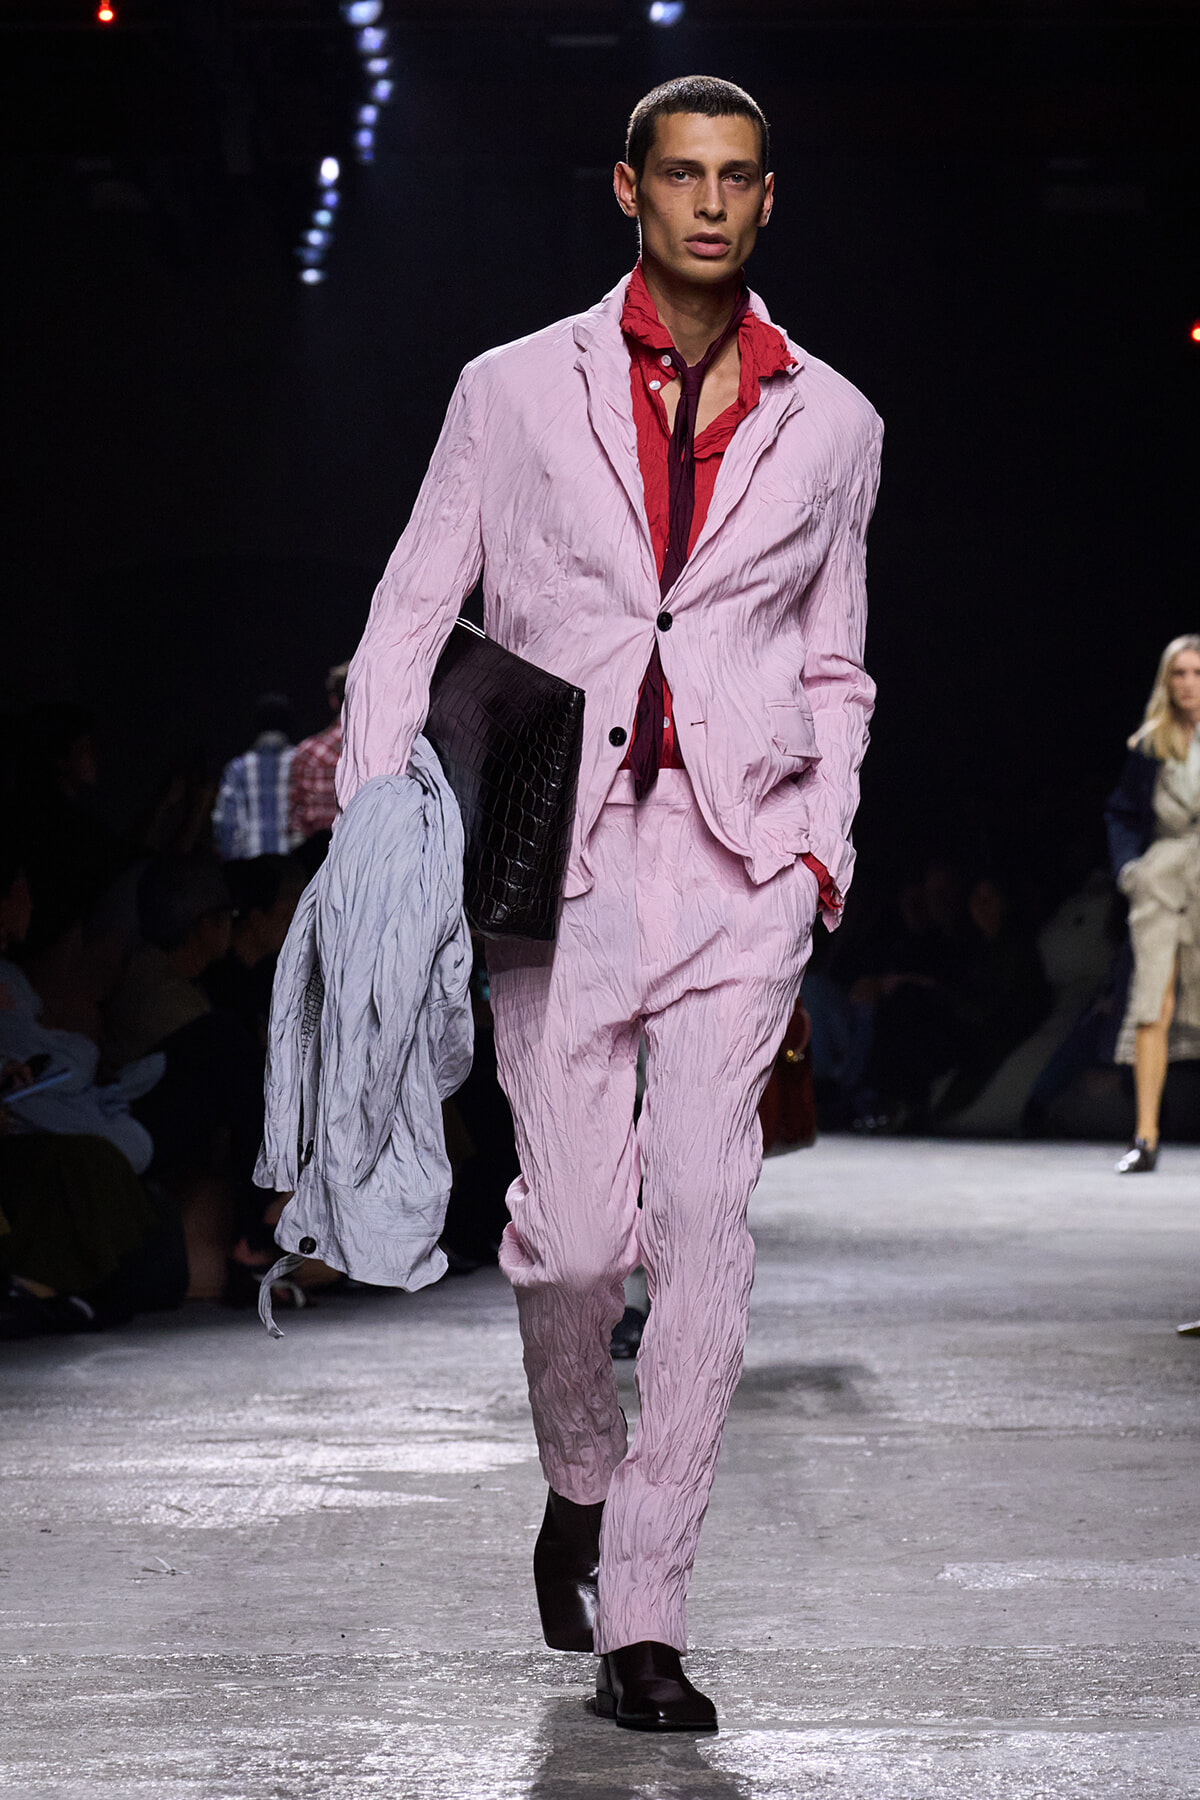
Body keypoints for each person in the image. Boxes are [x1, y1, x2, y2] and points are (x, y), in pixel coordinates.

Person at [333, 76, 881, 1730]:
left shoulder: (837, 422)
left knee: (709, 1227)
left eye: (739, 181)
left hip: (738, 856)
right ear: (627, 191)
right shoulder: (508, 393)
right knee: (573, 1245)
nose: (709, 205)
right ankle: (578, 1471)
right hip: (531, 826)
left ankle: (646, 1609)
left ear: (768, 200)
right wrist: (373, 830)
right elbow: (412, 605)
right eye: (681, 177)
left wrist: (818, 853)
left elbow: (837, 661)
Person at [1105, 634, 1200, 1173]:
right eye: (1179, 673)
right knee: (1152, 1002)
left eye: (1197, 672)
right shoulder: (1150, 743)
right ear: (1167, 681)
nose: (1189, 683)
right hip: (1162, 878)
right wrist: (1128, 870)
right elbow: (1121, 811)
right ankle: (1145, 1136)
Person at [212, 694, 296, 861]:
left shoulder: (237, 768)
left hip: (249, 871)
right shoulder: (301, 762)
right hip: (293, 871)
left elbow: (225, 824)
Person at [289, 662, 348, 845]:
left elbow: (296, 820)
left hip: (315, 861)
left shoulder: (308, 752)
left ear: (334, 701)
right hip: (368, 862)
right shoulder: (390, 753)